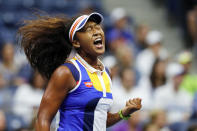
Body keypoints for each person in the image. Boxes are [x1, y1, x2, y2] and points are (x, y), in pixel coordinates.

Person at [18, 12, 142, 131]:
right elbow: (43, 119)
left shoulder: (107, 73)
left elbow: (97, 119)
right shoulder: (66, 72)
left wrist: (124, 112)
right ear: (76, 42)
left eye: (98, 27)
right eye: (89, 30)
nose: (97, 32)